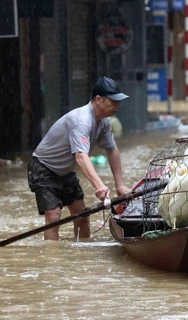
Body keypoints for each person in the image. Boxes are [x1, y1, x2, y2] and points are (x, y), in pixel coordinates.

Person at [28, 76, 132, 241]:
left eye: (118, 102)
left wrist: (119, 185)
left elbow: (112, 149)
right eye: (113, 101)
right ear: (98, 100)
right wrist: (99, 186)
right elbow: (81, 157)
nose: (117, 106)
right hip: (43, 168)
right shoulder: (82, 121)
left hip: (65, 172)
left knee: (82, 216)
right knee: (53, 219)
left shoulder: (103, 122)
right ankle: (52, 262)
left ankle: (81, 255)